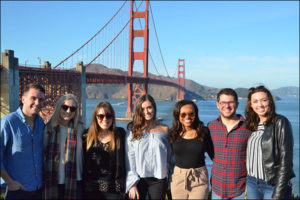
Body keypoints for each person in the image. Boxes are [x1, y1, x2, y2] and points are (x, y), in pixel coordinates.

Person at [245, 85, 295, 199]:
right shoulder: (251, 125)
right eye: (255, 101)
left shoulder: (280, 122)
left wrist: (278, 191)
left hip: (273, 185)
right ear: (251, 105)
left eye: (264, 100)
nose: (260, 105)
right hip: (252, 183)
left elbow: (286, 160)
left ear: (270, 102)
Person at [0, 83, 45, 199]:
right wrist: (9, 182)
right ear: (23, 99)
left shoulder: (41, 123)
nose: (37, 103)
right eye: (33, 98)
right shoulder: (8, 122)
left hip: (38, 189)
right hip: (17, 191)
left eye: (41, 99)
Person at [125, 94, 171, 200]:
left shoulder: (165, 129)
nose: (146, 112)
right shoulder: (132, 130)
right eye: (143, 109)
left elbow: (170, 156)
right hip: (139, 178)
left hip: (159, 179)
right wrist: (132, 184)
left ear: (154, 107)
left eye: (149, 107)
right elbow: (129, 157)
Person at [208, 88, 251, 199]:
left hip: (239, 189)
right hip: (217, 188)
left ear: (237, 104)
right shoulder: (211, 127)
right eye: (223, 103)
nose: (227, 106)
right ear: (218, 105)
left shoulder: (249, 128)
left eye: (231, 102)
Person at [169, 100, 214, 199]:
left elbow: (214, 156)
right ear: (177, 115)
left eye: (191, 114)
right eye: (183, 114)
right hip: (178, 178)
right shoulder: (172, 133)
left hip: (199, 177)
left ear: (196, 114)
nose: (187, 117)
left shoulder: (204, 132)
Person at [44, 94, 84, 199]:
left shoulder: (80, 128)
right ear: (58, 108)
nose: (68, 111)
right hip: (54, 181)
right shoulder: (48, 129)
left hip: (76, 181)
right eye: (65, 107)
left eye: (72, 108)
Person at [82, 101, 126, 200]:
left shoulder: (120, 135)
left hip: (114, 191)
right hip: (92, 191)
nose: (105, 119)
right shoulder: (86, 136)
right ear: (95, 118)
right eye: (101, 116)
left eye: (109, 116)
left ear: (113, 117)